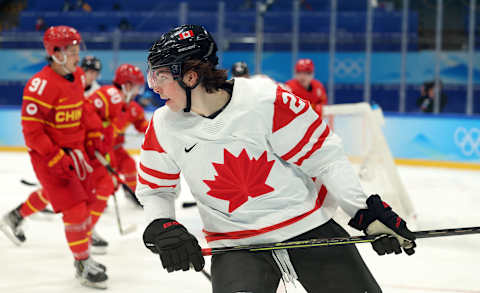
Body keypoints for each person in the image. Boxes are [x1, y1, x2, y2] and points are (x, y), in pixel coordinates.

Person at [139, 24, 417, 293]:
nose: (155, 87)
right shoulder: (163, 125)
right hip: (236, 245)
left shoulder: (265, 100)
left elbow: (324, 157)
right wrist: (162, 224)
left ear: (190, 77)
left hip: (308, 227)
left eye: (161, 77)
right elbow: (155, 188)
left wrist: (363, 211)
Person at [0, 26, 109, 289]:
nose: (76, 57)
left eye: (76, 51)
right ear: (55, 53)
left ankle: (15, 217)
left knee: (81, 198)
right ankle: (82, 262)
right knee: (75, 209)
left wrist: (93, 133)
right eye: (71, 52)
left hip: (76, 154)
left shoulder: (78, 75)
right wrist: (54, 158)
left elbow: (81, 107)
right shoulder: (40, 85)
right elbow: (32, 132)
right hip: (50, 158)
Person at [87, 64, 147, 207]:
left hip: (115, 149)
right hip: (98, 150)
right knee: (105, 182)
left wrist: (155, 131)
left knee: (129, 165)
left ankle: (132, 193)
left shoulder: (133, 108)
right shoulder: (109, 99)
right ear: (126, 85)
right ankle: (95, 195)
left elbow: (143, 125)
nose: (138, 92)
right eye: (136, 87)